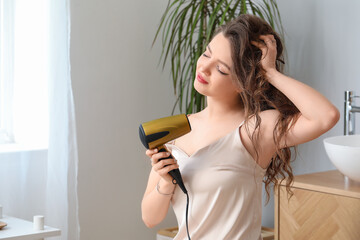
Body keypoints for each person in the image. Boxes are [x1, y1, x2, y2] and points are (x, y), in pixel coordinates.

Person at [141, 14, 339, 239]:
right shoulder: (176, 130)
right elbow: (150, 219)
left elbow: (326, 117)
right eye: (206, 53)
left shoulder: (257, 129)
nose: (204, 67)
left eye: (222, 69)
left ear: (244, 82)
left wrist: (271, 73)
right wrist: (166, 183)